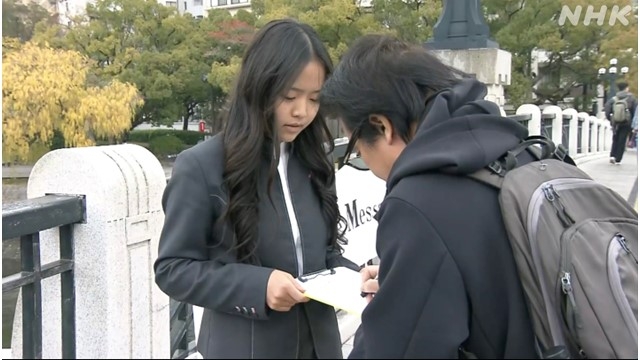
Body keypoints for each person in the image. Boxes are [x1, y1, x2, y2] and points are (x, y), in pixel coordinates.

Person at [320, 34, 537, 359]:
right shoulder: (523, 151)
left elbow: (397, 349)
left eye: (356, 147)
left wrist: (397, 297)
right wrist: (405, 274)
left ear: (382, 126)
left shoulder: (418, 201)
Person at [154, 18, 359, 359]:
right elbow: (173, 268)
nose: (302, 112)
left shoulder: (314, 161)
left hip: (321, 347)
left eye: (314, 99)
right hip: (245, 348)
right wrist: (259, 287)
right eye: (289, 96)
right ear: (259, 87)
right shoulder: (202, 166)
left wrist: (355, 279)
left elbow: (322, 255)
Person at [604, 82, 637, 164]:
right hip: (626, 123)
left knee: (615, 138)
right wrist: (633, 124)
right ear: (626, 88)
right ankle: (618, 159)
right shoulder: (632, 98)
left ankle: (612, 156)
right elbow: (635, 111)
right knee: (622, 140)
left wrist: (611, 119)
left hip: (616, 122)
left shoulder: (614, 99)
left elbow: (607, 110)